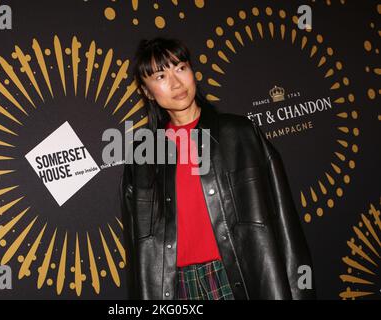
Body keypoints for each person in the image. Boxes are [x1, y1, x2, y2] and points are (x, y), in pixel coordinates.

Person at [120, 37, 315, 300]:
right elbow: (137, 247)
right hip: (176, 288)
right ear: (146, 90)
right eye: (160, 76)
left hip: (236, 278)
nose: (176, 83)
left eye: (181, 68)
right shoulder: (142, 155)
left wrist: (299, 292)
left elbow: (284, 219)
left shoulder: (240, 135)